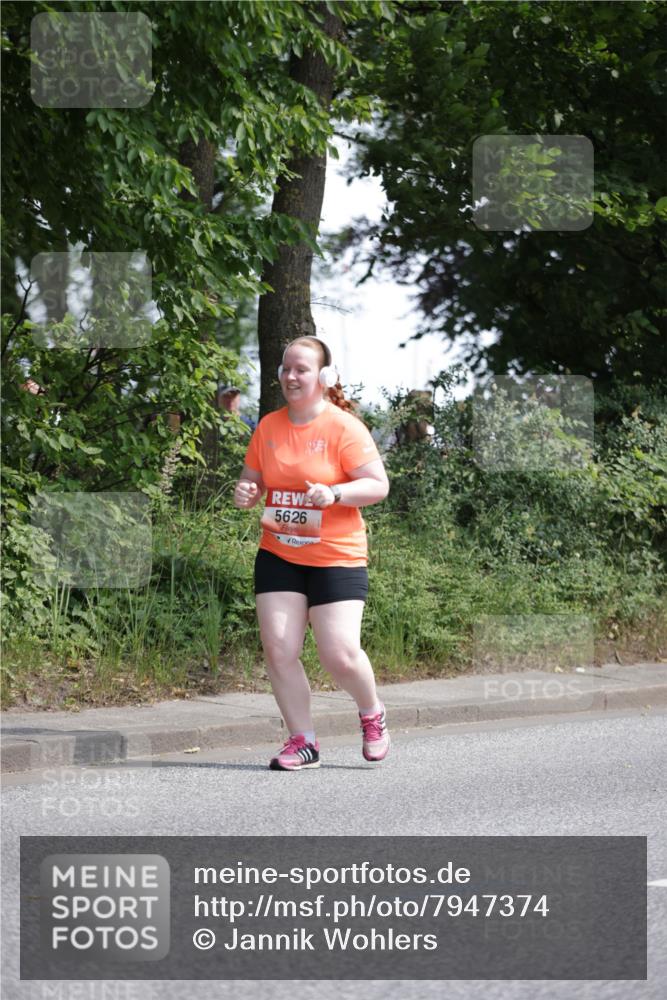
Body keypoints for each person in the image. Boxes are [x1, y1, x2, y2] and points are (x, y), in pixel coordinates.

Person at [233, 336, 391, 771]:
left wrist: (336, 492)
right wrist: (246, 492)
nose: (290, 376)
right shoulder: (268, 426)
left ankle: (372, 713)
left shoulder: (343, 427)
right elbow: (251, 482)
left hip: (336, 556)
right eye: (285, 368)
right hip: (279, 552)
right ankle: (303, 741)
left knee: (338, 654)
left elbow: (378, 485)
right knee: (279, 649)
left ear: (322, 377)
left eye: (300, 369)